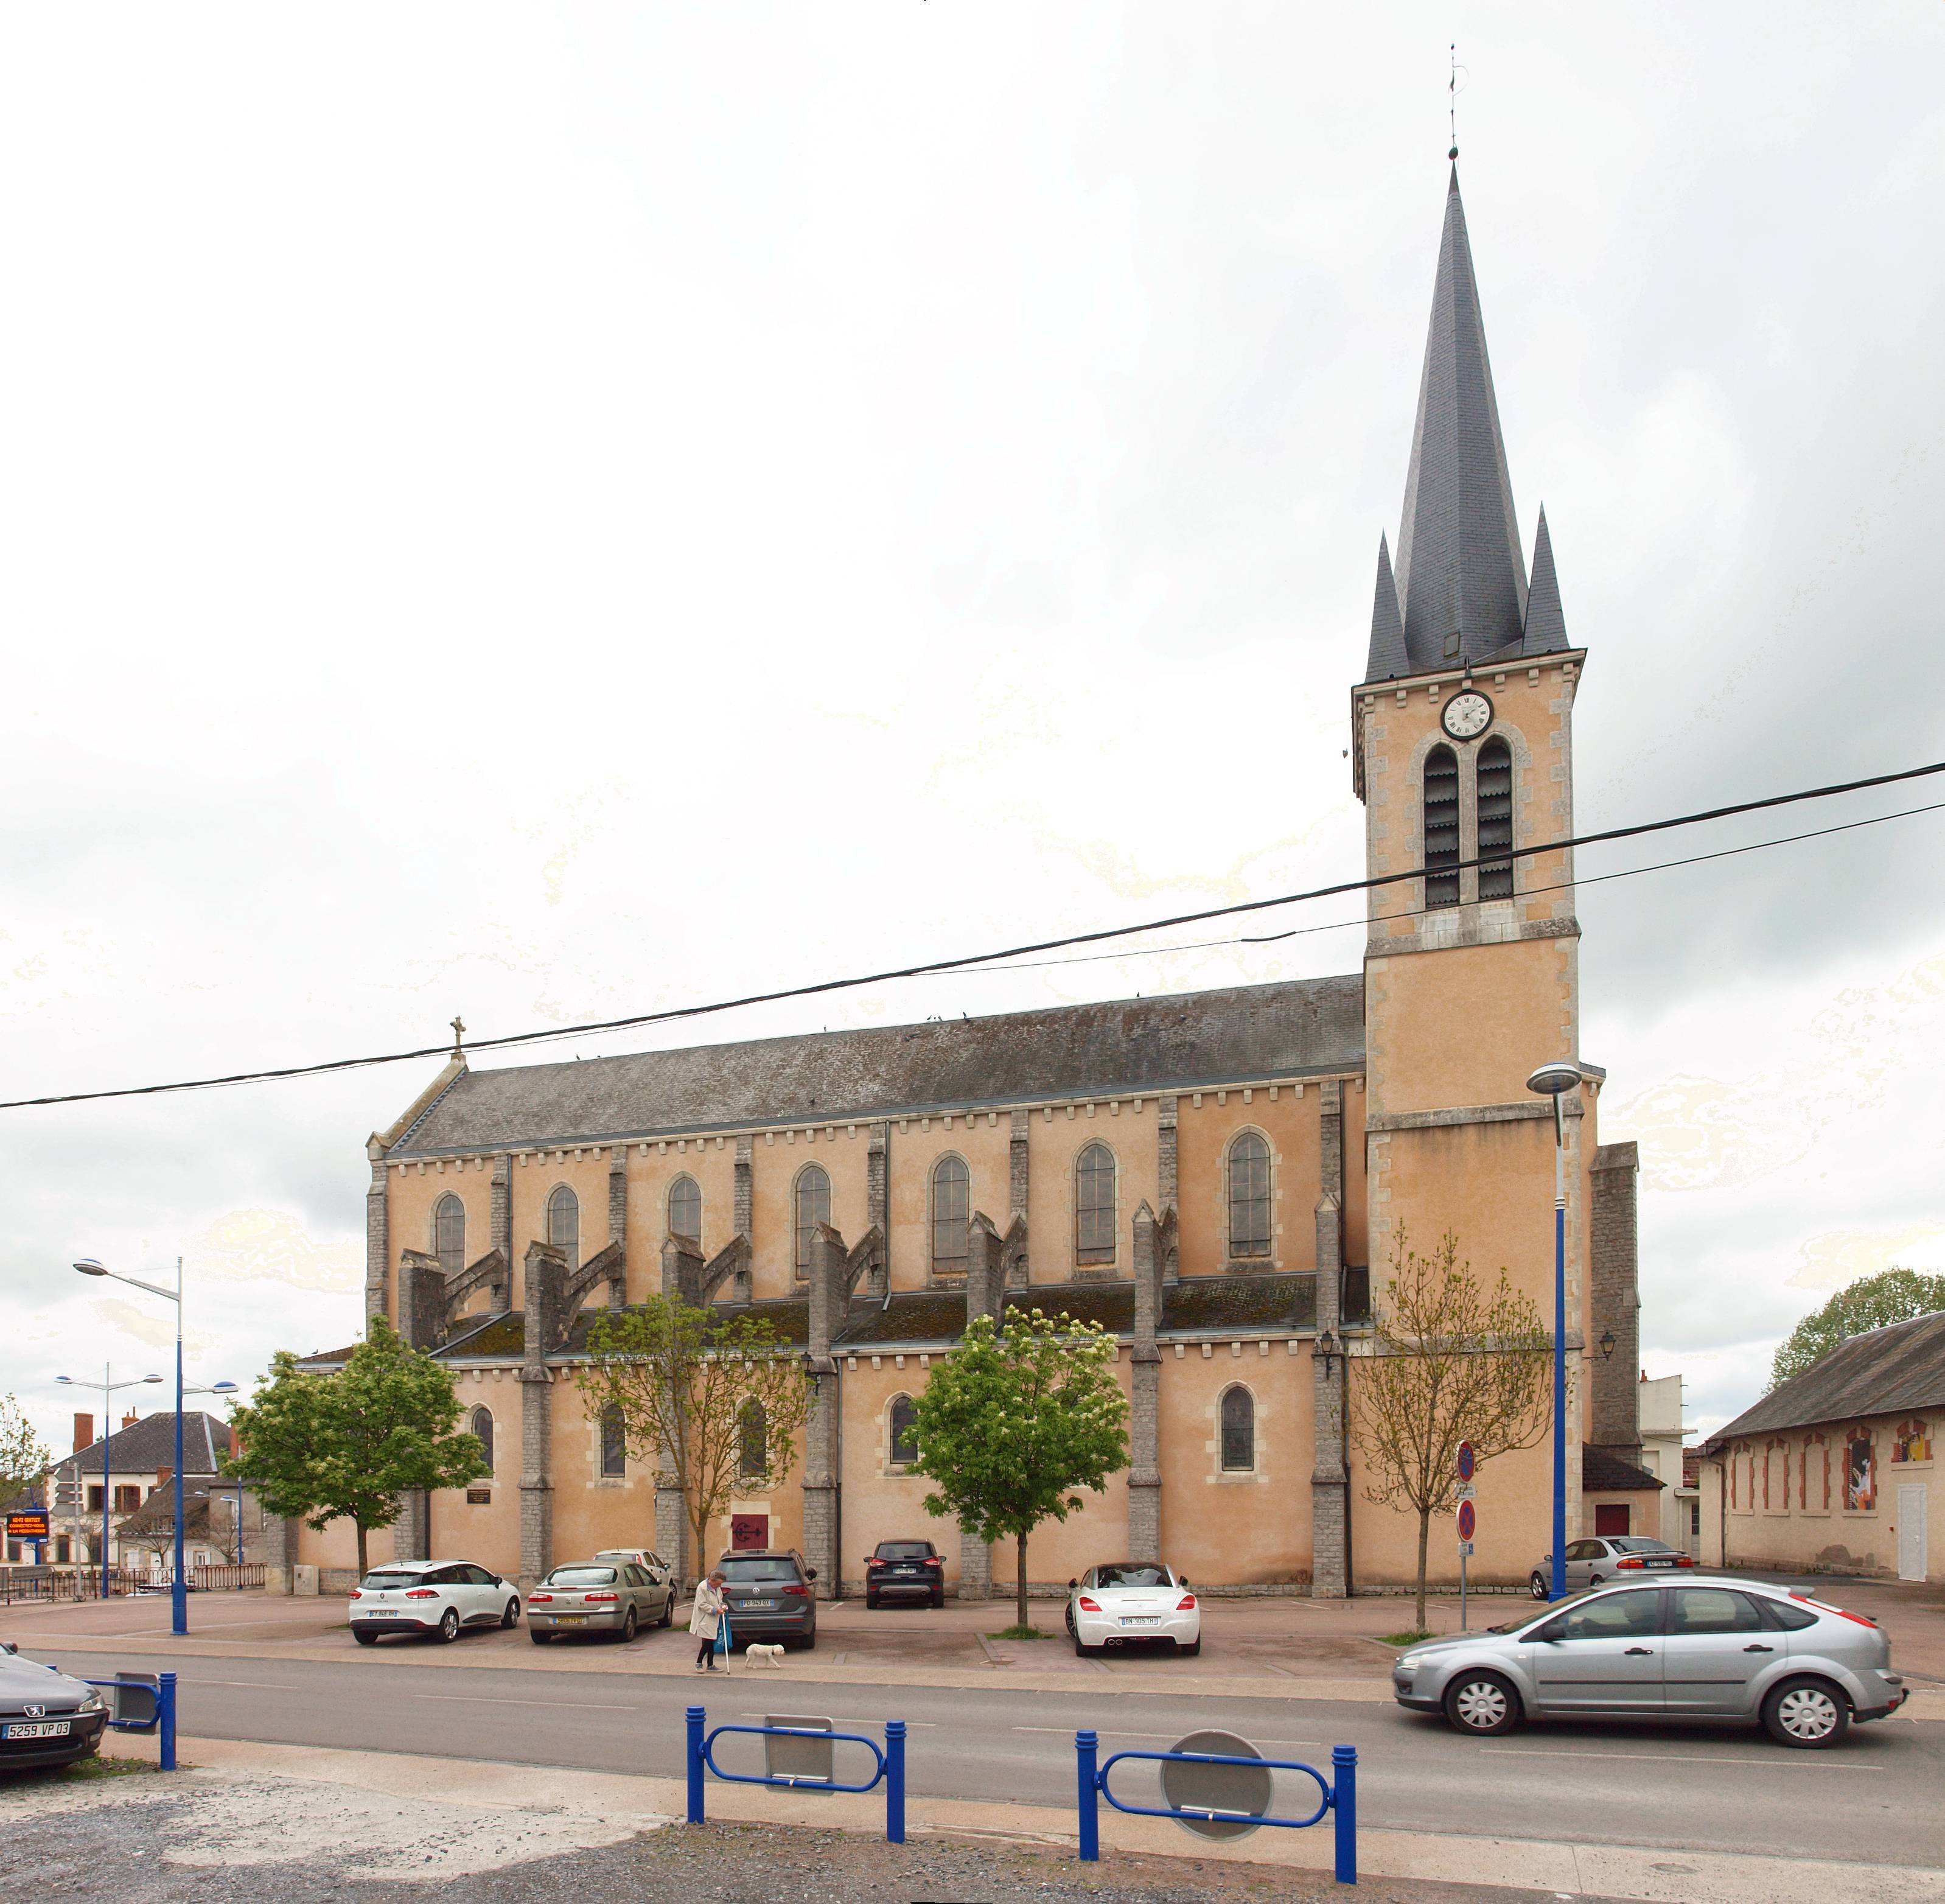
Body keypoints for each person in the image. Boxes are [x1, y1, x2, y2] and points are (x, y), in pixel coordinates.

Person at [690, 1569, 727, 1671]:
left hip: (714, 1618)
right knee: (708, 1642)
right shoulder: (702, 1587)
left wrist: (723, 1606)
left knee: (711, 1641)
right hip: (704, 1619)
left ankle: (710, 1665)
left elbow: (719, 1600)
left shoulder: (717, 1588)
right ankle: (699, 1663)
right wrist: (715, 1610)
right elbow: (702, 1604)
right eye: (719, 1583)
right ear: (712, 1580)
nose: (720, 1586)